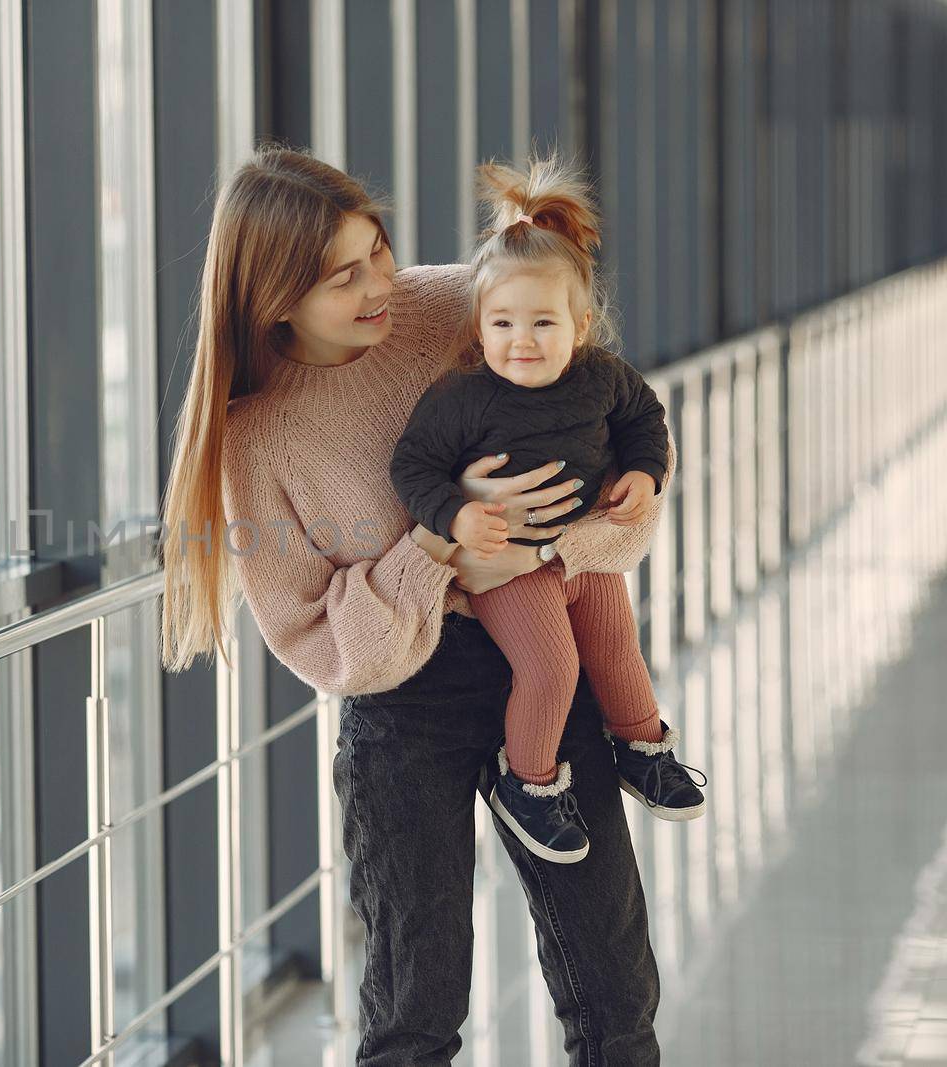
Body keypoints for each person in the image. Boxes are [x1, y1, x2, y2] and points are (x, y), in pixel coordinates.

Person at [159, 145, 672, 1065]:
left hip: (548, 673)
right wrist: (438, 547)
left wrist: (556, 536)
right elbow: (319, 641)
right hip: (405, 710)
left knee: (618, 992)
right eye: (342, 276)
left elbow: (615, 483)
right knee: (415, 1012)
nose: (378, 285)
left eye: (378, 250)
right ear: (274, 296)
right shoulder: (255, 437)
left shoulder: (458, 305)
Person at [389, 156, 707, 866]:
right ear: (480, 323)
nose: (521, 340)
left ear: (580, 324)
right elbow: (411, 466)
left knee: (619, 644)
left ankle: (642, 745)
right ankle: (527, 782)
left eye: (541, 322)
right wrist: (455, 516)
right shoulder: (462, 396)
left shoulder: (602, 378)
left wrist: (648, 476)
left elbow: (644, 420)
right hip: (506, 568)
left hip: (580, 553)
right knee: (553, 667)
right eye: (502, 322)